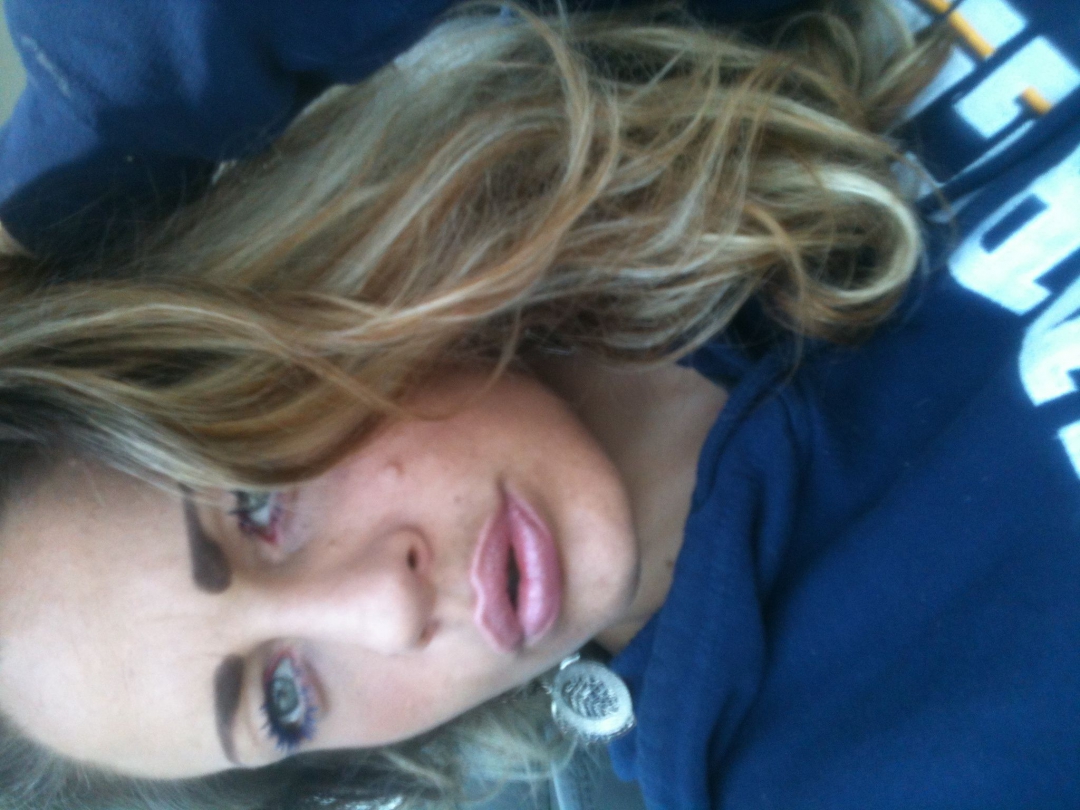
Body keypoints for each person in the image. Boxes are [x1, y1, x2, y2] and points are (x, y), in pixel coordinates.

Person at [0, 2, 1079, 810]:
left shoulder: (641, 31)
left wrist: (81, 158)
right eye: (282, 699)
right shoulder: (838, 769)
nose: (385, 615)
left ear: (253, 324)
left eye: (257, 505)